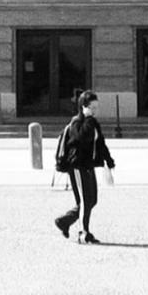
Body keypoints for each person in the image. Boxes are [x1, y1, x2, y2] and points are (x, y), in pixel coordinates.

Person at [54, 90, 115, 244]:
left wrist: (108, 160)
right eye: (92, 107)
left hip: (88, 165)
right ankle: (84, 233)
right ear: (83, 107)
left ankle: (64, 221)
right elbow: (82, 139)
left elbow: (100, 142)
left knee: (92, 200)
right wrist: (88, 120)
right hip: (77, 165)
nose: (95, 111)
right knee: (85, 200)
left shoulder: (93, 122)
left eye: (96, 107)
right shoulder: (77, 122)